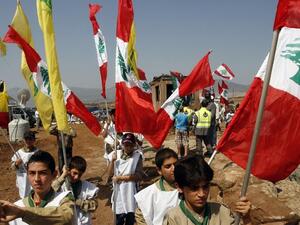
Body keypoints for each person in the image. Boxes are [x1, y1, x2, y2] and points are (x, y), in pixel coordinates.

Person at [163, 154, 252, 225]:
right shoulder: (173, 218)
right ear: (179, 187)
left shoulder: (222, 211)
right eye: (194, 188)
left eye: (205, 186)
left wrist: (247, 219)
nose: (202, 194)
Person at [0, 150, 74, 225]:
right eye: (32, 173)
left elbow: (66, 217)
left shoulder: (64, 199)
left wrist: (23, 213)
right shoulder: (17, 206)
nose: (36, 179)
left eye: (43, 173)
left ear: (54, 175)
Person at [135, 148, 179, 225]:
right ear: (159, 170)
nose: (174, 169)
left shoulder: (190, 188)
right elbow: (141, 218)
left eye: (175, 164)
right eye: (168, 166)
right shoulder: (148, 195)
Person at [107, 133, 143, 225]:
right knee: (118, 219)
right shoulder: (115, 155)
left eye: (130, 144)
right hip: (118, 192)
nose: (128, 147)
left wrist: (120, 178)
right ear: (122, 144)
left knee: (130, 219)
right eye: (126, 144)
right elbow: (109, 174)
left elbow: (139, 176)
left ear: (134, 145)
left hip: (131, 193)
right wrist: (112, 161)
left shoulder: (137, 157)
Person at [52, 156, 99, 225]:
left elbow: (94, 206)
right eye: (74, 173)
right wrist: (63, 176)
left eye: (79, 175)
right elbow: (49, 192)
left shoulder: (87, 187)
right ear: (68, 170)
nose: (76, 177)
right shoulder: (61, 186)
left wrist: (77, 202)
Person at [11, 131, 39, 198]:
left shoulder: (37, 152)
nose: (28, 141)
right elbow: (12, 167)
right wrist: (16, 164)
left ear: (34, 140)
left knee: (35, 196)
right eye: (26, 139)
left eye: (30, 139)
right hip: (23, 180)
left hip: (34, 179)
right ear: (24, 140)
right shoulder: (18, 153)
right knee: (24, 197)